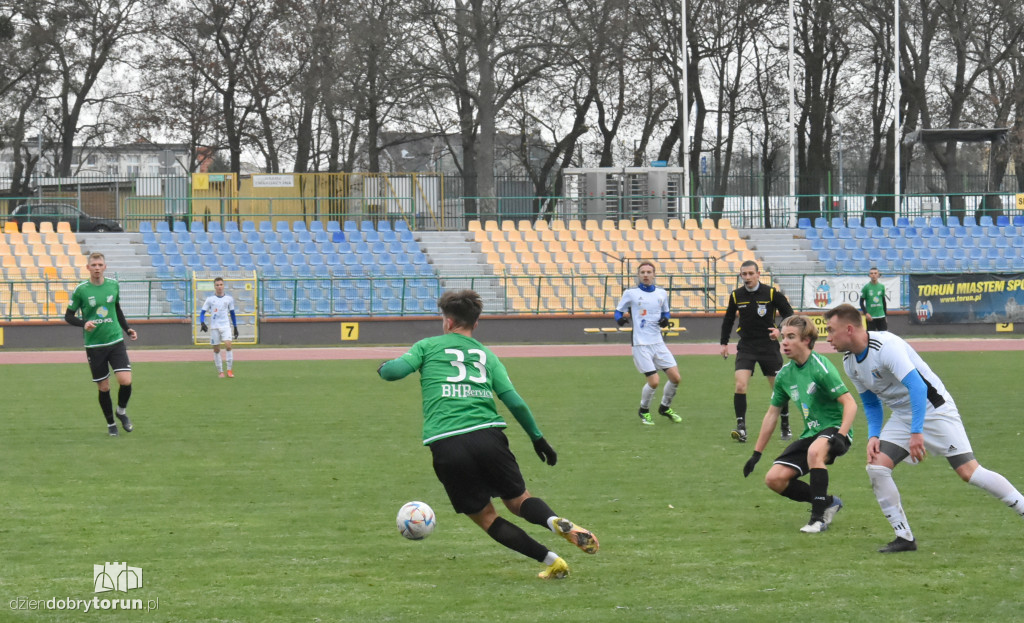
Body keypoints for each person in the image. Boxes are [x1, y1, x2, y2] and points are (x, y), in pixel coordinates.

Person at [377, 289, 599, 579]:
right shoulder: (486, 355)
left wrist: (382, 368)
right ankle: (552, 520)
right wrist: (537, 438)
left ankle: (553, 562)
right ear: (475, 323)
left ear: (447, 321)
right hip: (488, 436)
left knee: (487, 517)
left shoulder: (428, 346)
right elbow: (514, 401)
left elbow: (393, 372)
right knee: (518, 500)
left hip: (446, 442)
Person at [825, 303, 1024, 552]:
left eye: (831, 331)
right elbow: (870, 402)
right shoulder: (849, 362)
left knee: (968, 472)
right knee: (877, 467)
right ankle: (904, 537)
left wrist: (916, 432)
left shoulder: (886, 346)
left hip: (933, 408)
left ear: (850, 329)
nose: (828, 337)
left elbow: (918, 388)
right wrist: (873, 435)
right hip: (903, 414)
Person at [742, 315, 856, 533]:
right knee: (774, 479)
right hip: (811, 433)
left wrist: (841, 435)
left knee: (815, 452)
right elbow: (772, 414)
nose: (784, 342)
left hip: (834, 426)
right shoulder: (784, 374)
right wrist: (757, 453)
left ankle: (818, 519)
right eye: (783, 337)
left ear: (806, 340)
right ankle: (829, 502)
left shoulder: (821, 366)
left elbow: (849, 403)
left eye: (791, 337)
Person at [720, 260, 795, 442]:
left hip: (768, 347)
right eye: (743, 274)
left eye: (750, 274)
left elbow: (789, 314)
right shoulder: (736, 295)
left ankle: (785, 423)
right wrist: (724, 343)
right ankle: (741, 427)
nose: (747, 278)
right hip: (747, 346)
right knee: (740, 385)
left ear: (758, 274)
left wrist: (779, 330)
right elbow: (729, 319)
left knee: (778, 388)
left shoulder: (770, 293)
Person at [64, 252, 137, 437]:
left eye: (100, 264)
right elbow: (68, 316)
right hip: (94, 346)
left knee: (125, 381)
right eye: (93, 265)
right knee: (104, 387)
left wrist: (127, 329)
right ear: (88, 268)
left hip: (115, 340)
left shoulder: (113, 285)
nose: (97, 268)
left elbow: (117, 309)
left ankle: (121, 411)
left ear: (105, 267)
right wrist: (84, 323)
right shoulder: (81, 290)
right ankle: (111, 424)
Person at [614, 261, 682, 426]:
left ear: (654, 274)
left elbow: (666, 311)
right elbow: (618, 311)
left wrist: (666, 319)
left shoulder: (661, 293)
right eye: (642, 272)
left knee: (675, 378)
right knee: (654, 381)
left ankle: (665, 408)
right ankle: (644, 410)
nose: (645, 275)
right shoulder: (631, 293)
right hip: (641, 343)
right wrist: (620, 320)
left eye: (648, 272)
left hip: (658, 342)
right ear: (638, 275)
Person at [199, 277, 239, 378]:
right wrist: (202, 322)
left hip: (225, 326)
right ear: (214, 286)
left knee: (228, 345)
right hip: (215, 327)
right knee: (216, 350)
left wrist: (235, 327)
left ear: (223, 285)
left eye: (221, 285)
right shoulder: (210, 300)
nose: (219, 287)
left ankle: (229, 370)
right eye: (217, 285)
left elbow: (232, 313)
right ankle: (220, 371)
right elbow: (202, 312)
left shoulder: (229, 299)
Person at [860, 267, 888, 331]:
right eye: (871, 273)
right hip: (871, 317)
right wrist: (866, 313)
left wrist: (885, 314)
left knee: (884, 336)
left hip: (881, 316)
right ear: (869, 275)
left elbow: (883, 301)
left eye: (875, 273)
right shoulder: (866, 287)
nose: (873, 275)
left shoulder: (882, 286)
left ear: (878, 275)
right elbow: (861, 302)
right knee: (871, 337)